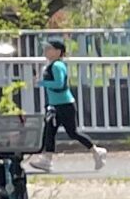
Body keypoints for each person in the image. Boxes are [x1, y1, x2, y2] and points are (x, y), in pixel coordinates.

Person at [33, 38, 106, 170]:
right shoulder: (50, 65)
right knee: (49, 132)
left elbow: (59, 84)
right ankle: (47, 160)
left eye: (49, 48)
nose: (46, 51)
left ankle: (96, 151)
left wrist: (42, 83)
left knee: (72, 132)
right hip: (55, 105)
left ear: (58, 51)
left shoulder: (57, 66)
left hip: (65, 105)